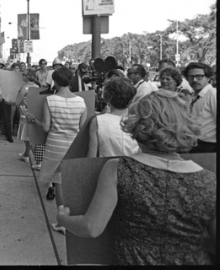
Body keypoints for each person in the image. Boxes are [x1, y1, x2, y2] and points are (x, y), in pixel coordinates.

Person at [57, 90, 216, 265]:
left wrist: (62, 218)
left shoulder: (119, 169)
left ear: (138, 125)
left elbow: (91, 227)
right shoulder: (209, 181)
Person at [30, 66, 87, 233]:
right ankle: (72, 217)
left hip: (56, 146)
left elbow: (46, 127)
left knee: (58, 184)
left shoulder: (50, 100)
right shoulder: (81, 101)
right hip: (75, 146)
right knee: (73, 184)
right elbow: (82, 128)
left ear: (55, 81)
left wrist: (34, 121)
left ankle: (62, 221)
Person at [87, 77, 139, 157]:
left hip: (106, 167)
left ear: (107, 98)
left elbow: (91, 156)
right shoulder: (138, 121)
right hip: (133, 167)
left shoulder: (97, 121)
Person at [184, 62, 216, 152]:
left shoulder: (213, 94)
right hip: (194, 144)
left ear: (208, 77)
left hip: (209, 147)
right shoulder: (193, 96)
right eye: (191, 77)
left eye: (199, 76)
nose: (194, 80)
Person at [15, 69, 39, 167]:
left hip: (25, 114)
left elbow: (17, 102)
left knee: (28, 138)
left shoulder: (24, 88)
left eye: (24, 74)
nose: (22, 76)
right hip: (34, 114)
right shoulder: (37, 87)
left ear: (27, 76)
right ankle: (26, 154)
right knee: (29, 137)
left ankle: (38, 160)